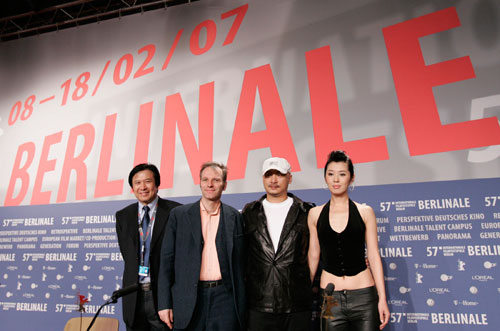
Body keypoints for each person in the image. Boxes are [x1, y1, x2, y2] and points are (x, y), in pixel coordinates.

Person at [157, 162, 245, 331]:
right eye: (205, 179)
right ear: (200, 183)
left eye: (216, 180)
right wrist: (164, 303)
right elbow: (166, 262)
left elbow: (242, 263)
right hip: (188, 298)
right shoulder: (179, 215)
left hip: (224, 299)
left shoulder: (234, 216)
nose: (209, 184)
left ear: (224, 185)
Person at [308, 151, 390, 330]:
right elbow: (313, 255)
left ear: (351, 178)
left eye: (342, 174)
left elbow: (374, 255)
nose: (336, 179)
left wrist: (382, 298)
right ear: (325, 177)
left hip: (364, 297)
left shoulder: (365, 212)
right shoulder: (314, 214)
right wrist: (304, 292)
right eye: (331, 174)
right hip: (329, 298)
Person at [242, 157, 314, 331]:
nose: (273, 180)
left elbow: (317, 253)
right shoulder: (249, 212)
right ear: (263, 178)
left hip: (296, 305)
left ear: (289, 177)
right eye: (268, 175)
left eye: (279, 175)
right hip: (259, 304)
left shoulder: (306, 211)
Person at [115, 163, 181, 331]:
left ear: (157, 184)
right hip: (133, 295)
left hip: (163, 297)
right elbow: (128, 255)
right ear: (132, 187)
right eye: (137, 183)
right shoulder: (123, 216)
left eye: (147, 181)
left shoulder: (176, 212)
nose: (142, 187)